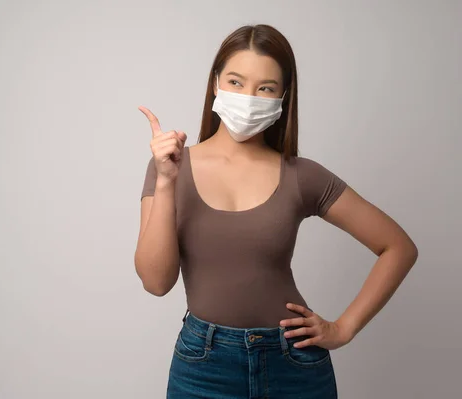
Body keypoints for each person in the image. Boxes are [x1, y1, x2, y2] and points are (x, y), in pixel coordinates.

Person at [134, 24, 418, 399]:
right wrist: (168, 181)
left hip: (293, 364)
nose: (248, 97)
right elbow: (156, 282)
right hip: (204, 365)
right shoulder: (169, 166)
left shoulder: (302, 176)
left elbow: (398, 247)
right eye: (236, 82)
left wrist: (343, 328)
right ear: (215, 83)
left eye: (265, 88)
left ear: (283, 96)